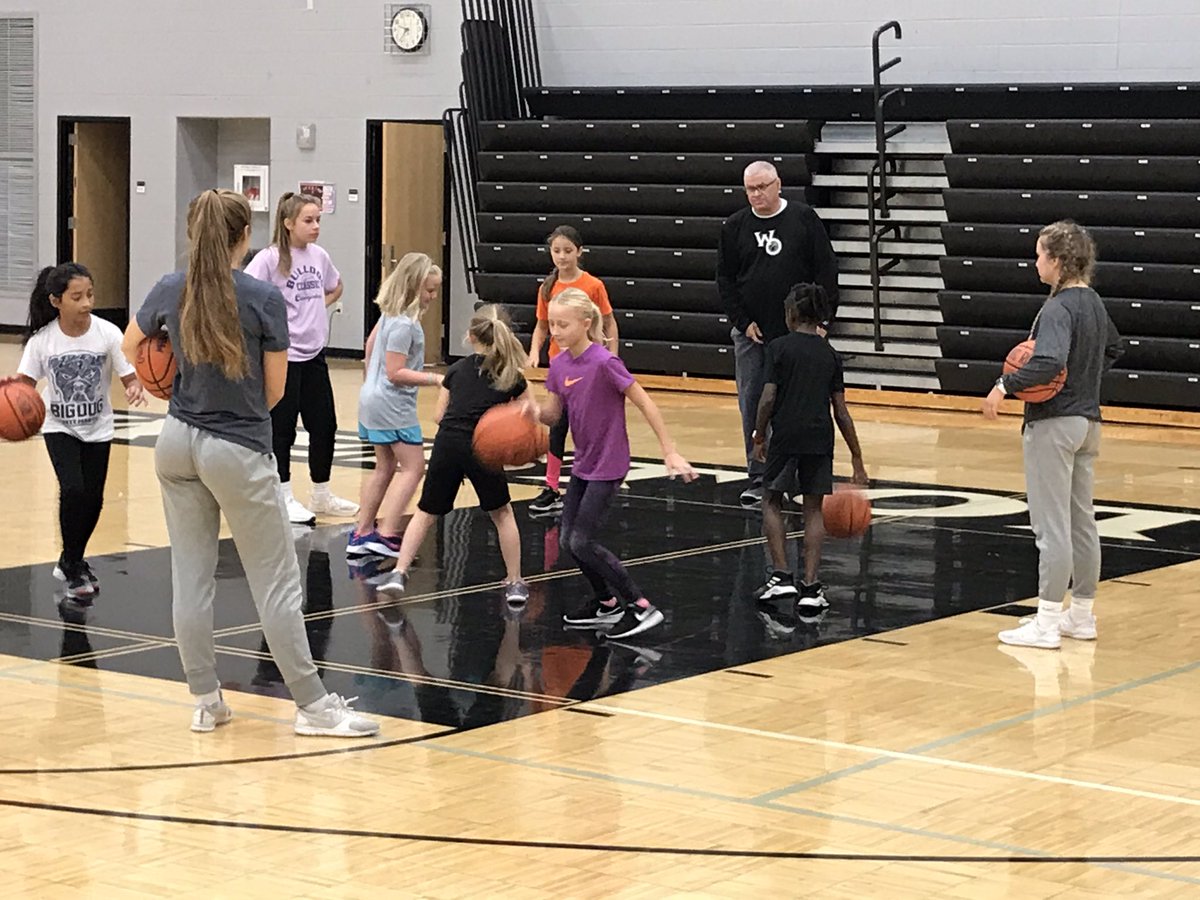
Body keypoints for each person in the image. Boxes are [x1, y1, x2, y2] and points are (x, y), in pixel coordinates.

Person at [123, 188, 378, 737]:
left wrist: (181, 389)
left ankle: (206, 700)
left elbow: (131, 346)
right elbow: (275, 391)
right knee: (278, 583)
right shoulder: (263, 297)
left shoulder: (171, 286)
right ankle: (313, 706)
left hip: (176, 442)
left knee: (190, 580)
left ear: (193, 233)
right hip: (235, 445)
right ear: (244, 237)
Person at [982, 220, 1122, 649]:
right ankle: (1080, 616)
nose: (1035, 261)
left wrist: (1004, 386)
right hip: (1088, 423)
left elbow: (1048, 362)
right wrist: (1083, 381)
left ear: (1058, 262)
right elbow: (1114, 348)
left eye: (1040, 254)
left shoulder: (1058, 308)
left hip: (1054, 422)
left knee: (1051, 527)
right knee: (1082, 522)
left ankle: (1045, 621)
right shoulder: (1094, 303)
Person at [530, 288, 698, 641]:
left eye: (563, 324)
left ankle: (640, 605)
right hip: (584, 462)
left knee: (581, 540)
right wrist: (527, 412)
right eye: (552, 324)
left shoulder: (605, 362)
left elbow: (645, 403)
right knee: (566, 540)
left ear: (586, 324)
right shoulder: (559, 365)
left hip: (610, 462)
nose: (556, 331)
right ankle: (606, 603)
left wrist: (669, 450)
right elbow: (553, 414)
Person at [376, 304, 532, 604]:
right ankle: (514, 582)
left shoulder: (456, 370)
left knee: (425, 512)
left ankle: (399, 571)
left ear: (471, 336)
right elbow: (529, 413)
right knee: (501, 514)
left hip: (448, 443)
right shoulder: (512, 374)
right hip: (483, 448)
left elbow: (438, 416)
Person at [17, 263, 146, 600]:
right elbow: (24, 388)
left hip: (98, 427)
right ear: (57, 301)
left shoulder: (107, 333)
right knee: (73, 490)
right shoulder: (42, 342)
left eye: (90, 294)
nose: (87, 302)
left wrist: (134, 388)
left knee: (94, 500)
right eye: (77, 297)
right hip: (59, 426)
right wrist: (13, 404)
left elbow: (129, 375)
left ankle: (70, 558)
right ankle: (73, 567)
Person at [717, 160, 840, 508]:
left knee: (800, 406)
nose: (756, 195)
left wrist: (822, 322)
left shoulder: (803, 219)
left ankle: (802, 476)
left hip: (801, 334)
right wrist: (742, 322)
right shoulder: (735, 227)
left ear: (778, 184)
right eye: (750, 189)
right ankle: (759, 476)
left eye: (762, 187)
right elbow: (725, 280)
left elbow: (826, 270)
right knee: (754, 403)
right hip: (753, 334)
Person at [751, 283, 868, 610]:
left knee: (772, 499)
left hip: (787, 434)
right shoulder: (830, 354)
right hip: (820, 436)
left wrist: (759, 434)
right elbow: (841, 411)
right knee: (813, 509)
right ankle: (812, 588)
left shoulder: (778, 348)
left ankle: (781, 577)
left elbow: (768, 398)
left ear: (792, 314)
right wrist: (857, 458)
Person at [244, 191, 356, 525]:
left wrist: (319, 306)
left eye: (318, 219)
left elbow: (337, 286)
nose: (316, 226)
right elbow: (246, 294)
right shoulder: (269, 259)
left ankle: (321, 492)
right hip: (283, 357)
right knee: (283, 428)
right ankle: (284, 492)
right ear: (288, 222)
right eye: (309, 220)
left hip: (314, 355)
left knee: (325, 425)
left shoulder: (319, 256)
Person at [346, 252, 443, 558]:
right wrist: (436, 379)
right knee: (414, 468)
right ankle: (387, 531)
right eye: (429, 290)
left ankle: (362, 532)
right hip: (391, 404)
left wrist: (369, 386)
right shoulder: (406, 325)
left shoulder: (388, 315)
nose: (433, 296)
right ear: (414, 286)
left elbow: (369, 348)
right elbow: (396, 372)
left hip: (371, 398)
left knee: (385, 466)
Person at [525, 226, 619, 517]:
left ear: (579, 251)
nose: (562, 256)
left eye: (568, 250)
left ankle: (590, 481)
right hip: (559, 366)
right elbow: (541, 326)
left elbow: (609, 322)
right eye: (556, 251)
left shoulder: (593, 285)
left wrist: (612, 356)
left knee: (586, 427)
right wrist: (533, 351)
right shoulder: (548, 286)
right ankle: (551, 487)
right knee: (557, 426)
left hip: (589, 367)